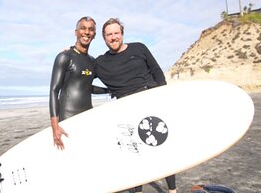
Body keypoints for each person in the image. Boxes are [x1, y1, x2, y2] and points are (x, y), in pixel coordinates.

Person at [96, 18, 177, 193]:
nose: (113, 37)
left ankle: (172, 190)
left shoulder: (139, 48)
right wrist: (71, 53)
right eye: (109, 34)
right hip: (125, 106)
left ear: (122, 33)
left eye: (116, 33)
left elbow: (157, 72)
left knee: (162, 147)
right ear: (104, 38)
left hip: (150, 98)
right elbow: (82, 76)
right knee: (134, 152)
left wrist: (164, 96)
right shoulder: (100, 62)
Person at [49, 16, 107, 150]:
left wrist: (109, 91)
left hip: (88, 116)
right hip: (68, 117)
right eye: (83, 28)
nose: (86, 32)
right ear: (76, 32)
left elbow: (86, 87)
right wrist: (55, 125)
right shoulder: (64, 57)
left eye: (90, 29)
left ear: (94, 35)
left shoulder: (92, 61)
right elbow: (54, 91)